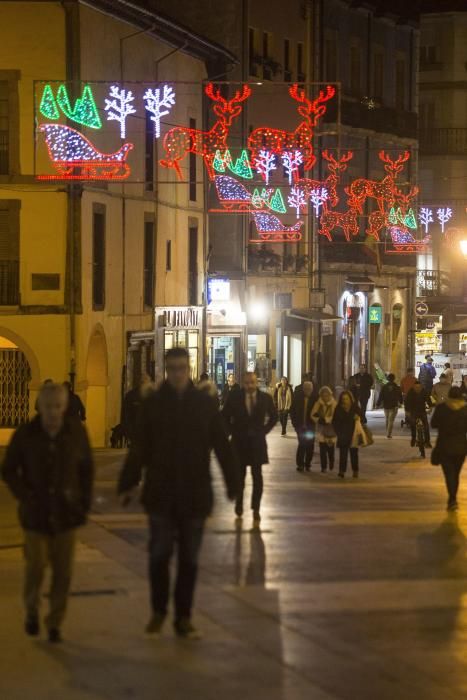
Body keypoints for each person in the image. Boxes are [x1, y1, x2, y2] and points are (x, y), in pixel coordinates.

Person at [118, 348, 238, 640]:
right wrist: (128, 481)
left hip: (194, 494)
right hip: (160, 492)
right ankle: (159, 610)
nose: (177, 373)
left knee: (189, 559)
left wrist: (233, 482)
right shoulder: (154, 404)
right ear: (166, 370)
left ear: (189, 369)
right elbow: (140, 447)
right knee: (159, 554)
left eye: (182, 368)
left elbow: (221, 444)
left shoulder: (204, 404)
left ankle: (183, 617)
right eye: (172, 368)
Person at [2, 383, 94, 643]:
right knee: (36, 566)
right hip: (36, 514)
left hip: (66, 513)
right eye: (48, 406)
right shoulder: (27, 434)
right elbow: (9, 469)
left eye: (57, 406)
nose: (53, 412)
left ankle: (55, 621)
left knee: (63, 572)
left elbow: (86, 470)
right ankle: (32, 609)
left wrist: (83, 503)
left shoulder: (75, 433)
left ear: (64, 407)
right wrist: (25, 495)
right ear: (39, 407)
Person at [222, 372, 277, 525]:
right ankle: (239, 503)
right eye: (247, 383)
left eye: (252, 382)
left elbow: (274, 416)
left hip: (257, 444)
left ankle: (256, 507)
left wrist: (264, 431)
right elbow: (224, 416)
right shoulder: (234, 397)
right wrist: (232, 431)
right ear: (243, 383)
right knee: (240, 477)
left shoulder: (265, 398)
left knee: (257, 477)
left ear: (256, 382)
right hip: (239, 443)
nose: (250, 386)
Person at [431, 386, 467, 511]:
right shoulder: (465, 409)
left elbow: (433, 423)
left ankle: (452, 499)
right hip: (461, 447)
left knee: (449, 474)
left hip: (444, 446)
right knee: (456, 473)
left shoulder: (442, 408)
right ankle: (453, 499)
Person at [290, 380, 318, 472]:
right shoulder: (298, 399)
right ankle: (300, 464)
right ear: (303, 389)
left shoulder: (315, 399)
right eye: (306, 389)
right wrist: (295, 424)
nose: (308, 391)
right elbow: (292, 411)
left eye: (309, 389)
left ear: (312, 389)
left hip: (310, 427)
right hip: (300, 427)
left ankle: (308, 464)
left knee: (310, 445)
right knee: (302, 444)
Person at [332, 391, 361, 478]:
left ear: (350, 399)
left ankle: (355, 470)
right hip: (343, 434)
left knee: (354, 454)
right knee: (343, 454)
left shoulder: (355, 407)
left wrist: (358, 417)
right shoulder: (338, 408)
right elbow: (335, 422)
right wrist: (338, 432)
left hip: (353, 434)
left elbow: (363, 418)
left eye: (347, 399)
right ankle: (342, 471)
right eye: (343, 399)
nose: (345, 401)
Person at [121, 373, 154, 444]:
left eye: (146, 381)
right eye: (143, 381)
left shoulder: (154, 396)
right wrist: (129, 431)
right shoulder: (131, 396)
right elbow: (126, 415)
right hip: (136, 431)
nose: (144, 383)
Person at [311, 386, 337, 472]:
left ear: (330, 395)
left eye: (327, 395)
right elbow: (313, 414)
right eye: (323, 395)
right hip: (321, 430)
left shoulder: (334, 404)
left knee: (330, 450)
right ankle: (323, 467)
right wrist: (319, 420)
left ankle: (331, 462)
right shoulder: (318, 404)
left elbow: (336, 416)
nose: (325, 397)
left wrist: (328, 420)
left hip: (331, 430)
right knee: (322, 449)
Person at [405, 380, 432, 448]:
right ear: (414, 386)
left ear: (421, 386)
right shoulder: (411, 392)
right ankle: (413, 439)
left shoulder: (424, 391)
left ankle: (427, 441)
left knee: (426, 426)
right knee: (413, 425)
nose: (417, 388)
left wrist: (430, 407)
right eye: (416, 387)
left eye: (419, 387)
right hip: (413, 411)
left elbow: (428, 399)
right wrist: (407, 411)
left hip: (422, 411)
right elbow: (407, 402)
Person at [377, 373, 403, 438]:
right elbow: (400, 396)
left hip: (386, 405)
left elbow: (381, 396)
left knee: (387, 419)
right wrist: (401, 402)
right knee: (391, 420)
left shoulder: (384, 387)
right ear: (394, 379)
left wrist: (378, 403)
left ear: (388, 379)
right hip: (394, 405)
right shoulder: (397, 387)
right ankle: (389, 434)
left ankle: (388, 432)